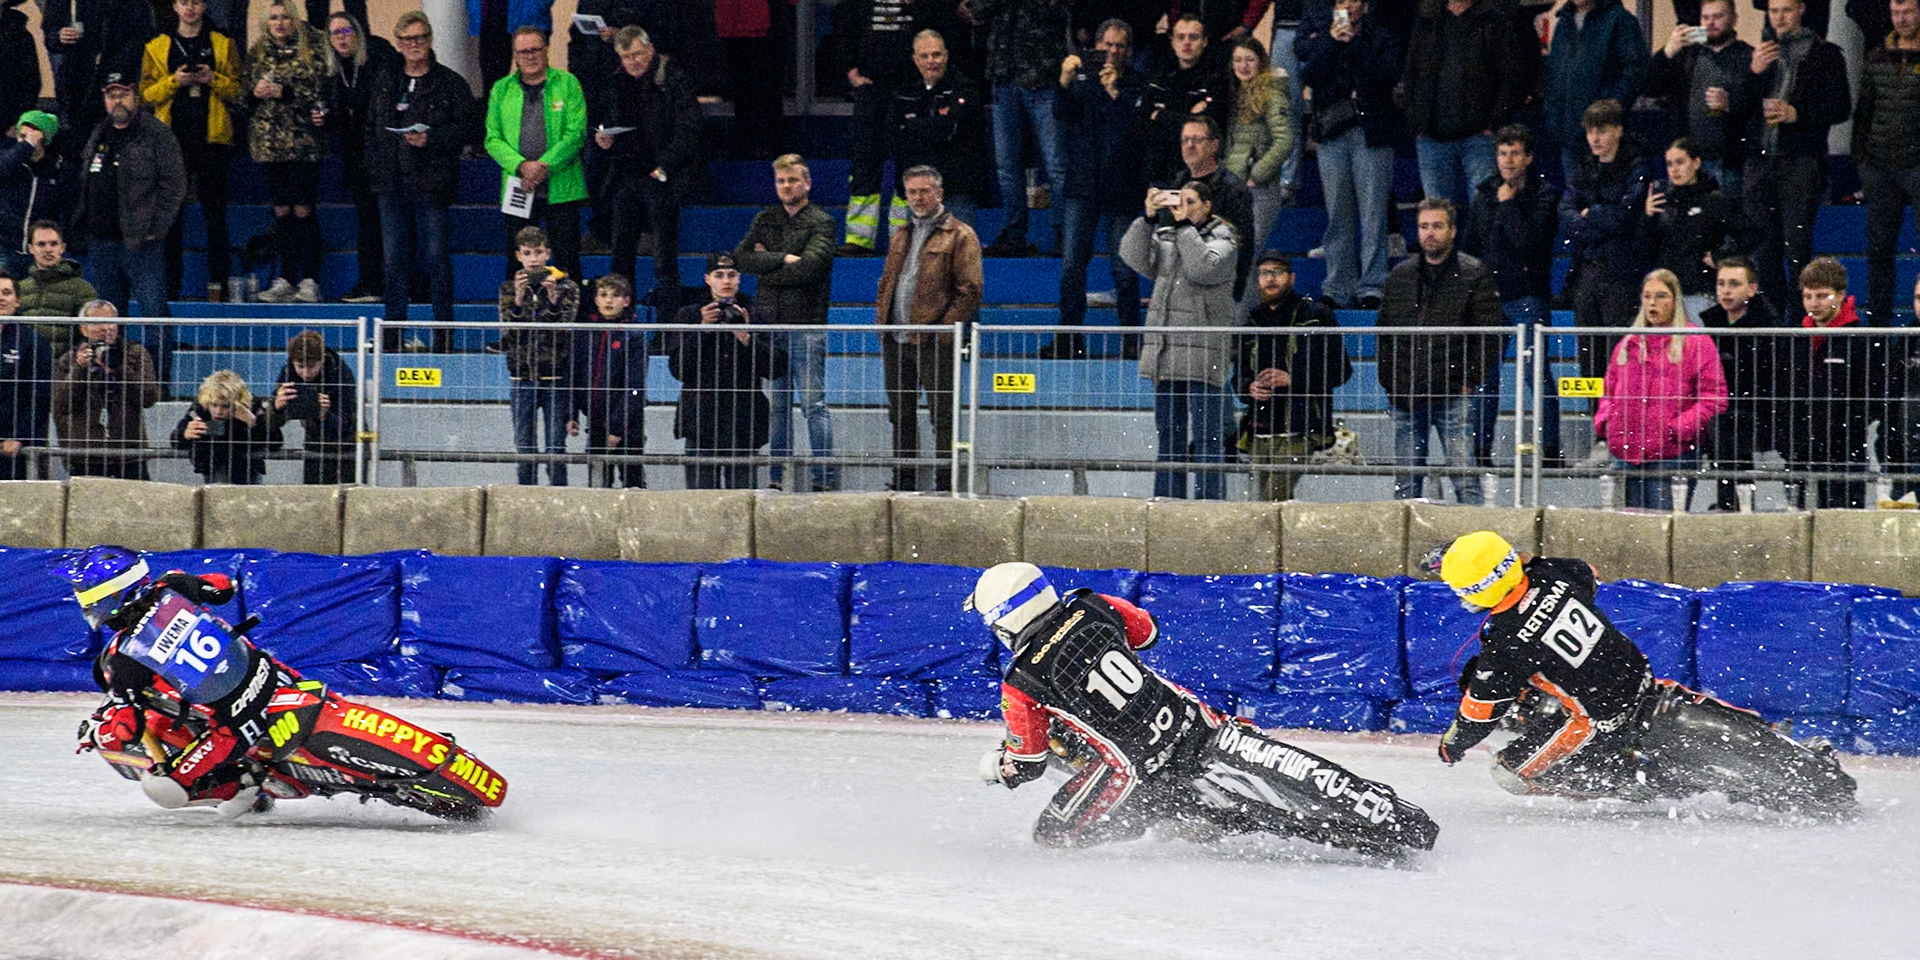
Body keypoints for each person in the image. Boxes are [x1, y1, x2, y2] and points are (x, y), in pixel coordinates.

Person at [967, 562, 1438, 852]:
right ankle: (1397, 820)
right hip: (1195, 724)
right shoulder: (1093, 605)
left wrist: (999, 768)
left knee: (1051, 836)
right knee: (1287, 775)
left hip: (1136, 769)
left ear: (1003, 619)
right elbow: (1146, 633)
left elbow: (1028, 762)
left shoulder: (1022, 681)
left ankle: (1158, 819)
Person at [61, 544, 297, 815]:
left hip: (234, 725)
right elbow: (222, 588)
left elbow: (128, 728)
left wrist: (97, 732)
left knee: (164, 787)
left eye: (89, 596)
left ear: (113, 594)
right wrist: (204, 587)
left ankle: (247, 785)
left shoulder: (124, 656)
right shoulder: (173, 585)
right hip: (270, 674)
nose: (87, 604)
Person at [1430, 531, 1657, 798]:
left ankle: (1618, 779)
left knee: (1508, 772)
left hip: (1600, 716)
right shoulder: (1551, 572)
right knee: (1546, 677)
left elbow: (1479, 714)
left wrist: (1452, 745)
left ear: (1474, 590)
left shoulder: (1505, 643)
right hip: (1639, 672)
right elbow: (1589, 574)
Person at [1376, 198, 1501, 504]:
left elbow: (1488, 335)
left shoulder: (1474, 273)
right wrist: (1391, 382)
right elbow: (1385, 333)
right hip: (1406, 394)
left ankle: (1476, 546)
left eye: (1437, 226)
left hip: (1452, 393)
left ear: (1453, 230)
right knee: (1405, 485)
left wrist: (1468, 379)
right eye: (1423, 226)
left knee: (1465, 481)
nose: (1429, 233)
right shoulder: (1400, 276)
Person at [1122, 179, 1239, 500]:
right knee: (1169, 437)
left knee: (1208, 438)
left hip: (1204, 355)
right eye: (1179, 201)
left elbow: (1203, 268)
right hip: (1166, 351)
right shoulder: (1167, 235)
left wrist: (1184, 227)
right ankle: (1167, 502)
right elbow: (1132, 257)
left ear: (1207, 205)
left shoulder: (1224, 239)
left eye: (1191, 202)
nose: (1182, 208)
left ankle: (1209, 505)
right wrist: (1146, 220)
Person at [365, 11, 473, 354]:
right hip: (391, 183)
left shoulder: (450, 82)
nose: (415, 45)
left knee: (436, 257)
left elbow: (466, 130)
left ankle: (443, 337)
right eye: (408, 39)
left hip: (432, 184)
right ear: (398, 44)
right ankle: (394, 336)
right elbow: (370, 128)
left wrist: (433, 139)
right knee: (394, 260)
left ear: (430, 40)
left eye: (421, 37)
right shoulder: (385, 81)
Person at [733, 154, 838, 492]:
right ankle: (777, 478)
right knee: (778, 407)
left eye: (792, 180)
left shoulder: (823, 221)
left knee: (813, 405)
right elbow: (741, 259)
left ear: (807, 183)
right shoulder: (765, 218)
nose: (786, 186)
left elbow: (812, 268)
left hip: (807, 326)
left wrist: (768, 265)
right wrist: (782, 259)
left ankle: (823, 479)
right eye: (781, 181)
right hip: (770, 326)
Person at [875, 165, 981, 493]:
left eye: (925, 191)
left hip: (935, 341)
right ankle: (903, 483)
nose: (918, 198)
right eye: (912, 192)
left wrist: (943, 331)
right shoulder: (901, 234)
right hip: (897, 338)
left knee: (943, 416)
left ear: (939, 193)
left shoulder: (961, 235)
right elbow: (889, 282)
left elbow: (970, 291)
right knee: (900, 415)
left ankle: (945, 484)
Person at [75, 72, 185, 386]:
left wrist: (157, 227)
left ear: (134, 95)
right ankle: (112, 382)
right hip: (103, 242)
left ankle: (158, 385)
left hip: (141, 243)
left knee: (153, 313)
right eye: (111, 95)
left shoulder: (156, 133)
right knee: (107, 322)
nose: (117, 100)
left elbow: (175, 184)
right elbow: (86, 179)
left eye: (123, 94)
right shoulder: (99, 133)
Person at [834, 0, 965, 256]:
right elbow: (843, 26)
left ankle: (903, 238)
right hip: (870, 88)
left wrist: (930, 78)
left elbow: (942, 29)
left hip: (912, 90)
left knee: (910, 163)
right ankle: (859, 239)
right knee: (865, 161)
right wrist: (850, 71)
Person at [1742, 0, 1850, 311]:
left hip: (1800, 160)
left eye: (1786, 10)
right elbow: (1740, 109)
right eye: (1774, 11)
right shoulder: (1761, 53)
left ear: (1801, 9)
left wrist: (1797, 113)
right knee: (1764, 247)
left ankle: (1800, 320)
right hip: (1760, 158)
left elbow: (1841, 107)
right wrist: (1752, 73)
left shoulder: (1824, 53)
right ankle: (1773, 320)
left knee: (1796, 246)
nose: (1779, 17)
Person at [1463, 125, 1561, 466]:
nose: (1507, 160)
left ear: (1528, 158)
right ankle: (1479, 452)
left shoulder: (1544, 195)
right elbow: (1473, 246)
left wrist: (1509, 206)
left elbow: (1529, 242)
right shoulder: (1484, 194)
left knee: (1536, 374)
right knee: (1485, 378)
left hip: (1528, 297)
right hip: (1490, 300)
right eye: (1502, 153)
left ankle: (1550, 450)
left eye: (1515, 153)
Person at [1048, 19, 1145, 360]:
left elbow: (1138, 132)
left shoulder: (1135, 82)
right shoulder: (1082, 75)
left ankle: (1132, 342)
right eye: (1107, 45)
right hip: (1082, 183)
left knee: (1124, 267)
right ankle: (1068, 340)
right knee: (1073, 265)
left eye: (1119, 46)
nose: (1112, 51)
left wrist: (1117, 94)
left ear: (1128, 50)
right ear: (1096, 45)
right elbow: (1060, 114)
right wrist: (1062, 83)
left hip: (1122, 186)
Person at [1592, 269, 1729, 510]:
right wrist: (1607, 421)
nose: (1652, 303)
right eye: (1647, 296)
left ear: (1675, 300)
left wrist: (1677, 428)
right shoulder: (1628, 343)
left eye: (1661, 296)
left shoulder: (1696, 342)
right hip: (1625, 454)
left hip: (1672, 454)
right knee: (1628, 533)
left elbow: (1713, 398)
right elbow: (1609, 391)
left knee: (1664, 530)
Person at [1298, 0, 1403, 311]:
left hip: (1372, 131)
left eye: (1354, 1)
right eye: (1342, 1)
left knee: (1373, 213)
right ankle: (1338, 286)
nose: (1348, 7)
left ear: (1366, 7)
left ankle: (1373, 285)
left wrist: (1355, 44)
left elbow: (1385, 74)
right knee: (1338, 213)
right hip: (1332, 131)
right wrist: (1332, 41)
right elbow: (1311, 75)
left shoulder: (1381, 35)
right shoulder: (1321, 33)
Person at [593, 26, 701, 319]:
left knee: (664, 259)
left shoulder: (673, 78)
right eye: (626, 57)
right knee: (620, 255)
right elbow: (611, 119)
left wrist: (663, 166)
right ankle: (619, 320)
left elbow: (689, 129)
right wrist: (605, 137)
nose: (632, 63)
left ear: (650, 49)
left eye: (637, 55)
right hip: (627, 176)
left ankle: (666, 326)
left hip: (662, 177)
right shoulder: (618, 80)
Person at [661, 253, 787, 490]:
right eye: (719, 275)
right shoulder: (689, 314)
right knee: (701, 501)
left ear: (740, 279)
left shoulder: (757, 314)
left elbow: (776, 368)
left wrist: (747, 338)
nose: (726, 281)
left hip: (744, 420)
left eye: (731, 275)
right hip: (701, 420)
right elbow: (678, 369)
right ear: (707, 279)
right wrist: (702, 331)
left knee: (740, 502)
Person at [143, 0, 240, 302]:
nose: (191, 9)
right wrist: (175, 81)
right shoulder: (157, 46)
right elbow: (146, 93)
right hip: (172, 141)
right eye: (185, 2)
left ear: (205, 6)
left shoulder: (222, 44)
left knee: (215, 215)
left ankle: (218, 285)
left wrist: (213, 79)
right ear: (174, 6)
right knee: (172, 216)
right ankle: (170, 286)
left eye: (196, 2)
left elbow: (238, 89)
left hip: (212, 140)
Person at [1400, 0, 1539, 210]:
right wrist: (1417, 120)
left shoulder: (1496, 17)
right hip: (1431, 135)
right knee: (1435, 216)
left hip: (1480, 137)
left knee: (1484, 212)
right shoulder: (1428, 16)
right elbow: (1412, 71)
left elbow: (1513, 77)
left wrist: (1495, 124)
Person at [1781, 258, 1893, 509]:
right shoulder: (1797, 338)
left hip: (1844, 451)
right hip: (1800, 450)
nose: (1813, 303)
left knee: (1843, 526)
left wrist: (1846, 425)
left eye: (1821, 296)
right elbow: (1785, 389)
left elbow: (1873, 394)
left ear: (1841, 295)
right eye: (1807, 296)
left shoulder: (1860, 339)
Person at [1234, 253, 1345, 501]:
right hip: (1259, 429)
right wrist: (1248, 387)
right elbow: (1238, 377)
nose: (1270, 278)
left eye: (1277, 271)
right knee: (1269, 504)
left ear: (1292, 277)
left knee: (1270, 500)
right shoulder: (1251, 321)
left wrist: (1294, 379)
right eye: (1264, 273)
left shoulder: (1317, 315)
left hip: (1302, 426)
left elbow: (1340, 371)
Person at [1560, 99, 1654, 384]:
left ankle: (1623, 424)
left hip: (1622, 274)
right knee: (1589, 361)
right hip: (1588, 272)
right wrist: (1603, 219)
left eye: (1601, 130)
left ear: (1618, 131)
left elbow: (1627, 218)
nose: (1595, 138)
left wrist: (1592, 213)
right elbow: (1567, 217)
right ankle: (1595, 425)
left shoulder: (1638, 166)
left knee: (1622, 355)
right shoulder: (1583, 170)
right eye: (1590, 131)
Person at [484, 27, 587, 282]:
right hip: (518, 186)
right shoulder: (501, 89)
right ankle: (517, 318)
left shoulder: (568, 83)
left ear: (546, 50)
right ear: (515, 56)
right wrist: (521, 166)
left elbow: (576, 133)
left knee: (566, 260)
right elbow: (492, 138)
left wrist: (542, 166)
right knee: (517, 261)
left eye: (535, 49)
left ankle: (567, 319)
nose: (530, 56)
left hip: (562, 187)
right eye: (523, 51)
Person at [243, 3, 330, 305]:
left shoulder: (312, 48)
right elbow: (243, 95)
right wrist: (254, 93)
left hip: (303, 143)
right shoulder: (257, 52)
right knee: (281, 211)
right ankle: (286, 277)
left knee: (303, 209)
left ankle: (309, 278)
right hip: (268, 144)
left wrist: (285, 92)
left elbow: (320, 88)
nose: (280, 23)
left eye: (285, 17)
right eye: (274, 18)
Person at [975, 0, 1072, 258]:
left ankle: (1065, 232)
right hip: (1003, 75)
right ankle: (1014, 232)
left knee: (1056, 163)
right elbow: (976, 10)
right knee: (1006, 164)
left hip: (1044, 74)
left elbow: (1059, 9)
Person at [316, 11, 397, 305]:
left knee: (386, 222)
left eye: (346, 31)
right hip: (355, 158)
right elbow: (337, 117)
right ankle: (370, 282)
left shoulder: (377, 59)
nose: (341, 38)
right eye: (335, 33)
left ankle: (390, 283)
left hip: (383, 154)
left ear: (358, 33)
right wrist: (323, 119)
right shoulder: (332, 72)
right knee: (367, 221)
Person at [1646, 0, 1754, 207]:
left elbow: (1755, 107)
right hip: (1690, 160)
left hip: (1730, 161)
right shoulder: (1687, 54)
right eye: (1706, 18)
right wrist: (1668, 51)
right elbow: (1650, 88)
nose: (1711, 22)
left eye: (1718, 16)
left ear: (1734, 19)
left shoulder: (1748, 56)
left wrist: (1730, 105)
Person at [1697, 255, 1784, 511]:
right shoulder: (1709, 322)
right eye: (1721, 283)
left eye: (1734, 283)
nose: (1725, 290)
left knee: (1732, 428)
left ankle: (1735, 503)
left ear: (1752, 288)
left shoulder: (1768, 324)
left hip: (1760, 408)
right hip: (1721, 408)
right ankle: (1729, 501)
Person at [1852, 0, 1920, 324]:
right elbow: (1863, 110)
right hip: (1880, 167)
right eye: (1896, 13)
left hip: (1917, 165)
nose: (1901, 19)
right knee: (1879, 252)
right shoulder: (1877, 55)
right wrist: (1861, 160)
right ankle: (1877, 326)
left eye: (1907, 12)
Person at [498, 226, 579, 487]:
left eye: (539, 252)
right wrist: (519, 301)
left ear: (548, 254)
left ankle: (558, 497)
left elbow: (561, 335)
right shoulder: (508, 289)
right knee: (524, 447)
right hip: (521, 378)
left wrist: (553, 302)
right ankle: (525, 497)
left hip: (554, 377)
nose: (534, 258)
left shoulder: (567, 287)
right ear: (518, 256)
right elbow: (510, 337)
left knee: (556, 447)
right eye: (528, 253)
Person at [886, 31, 987, 227]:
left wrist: (913, 126)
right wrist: (933, 128)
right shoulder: (903, 92)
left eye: (936, 54)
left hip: (956, 189)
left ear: (946, 55)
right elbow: (894, 136)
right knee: (912, 254)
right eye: (924, 56)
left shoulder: (965, 88)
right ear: (915, 60)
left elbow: (951, 131)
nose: (931, 61)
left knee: (956, 254)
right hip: (914, 190)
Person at [51, 302, 161, 479]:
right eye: (97, 322)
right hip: (86, 455)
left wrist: (119, 369)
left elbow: (148, 397)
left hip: (129, 454)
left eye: (110, 322)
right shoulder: (69, 360)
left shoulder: (135, 353)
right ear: (83, 329)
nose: (105, 328)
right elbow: (61, 405)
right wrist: (80, 369)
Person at [1222, 37, 1292, 305]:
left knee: (1244, 257)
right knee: (1236, 259)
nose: (1243, 65)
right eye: (1238, 60)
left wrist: (1257, 174)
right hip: (1234, 189)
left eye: (1249, 59)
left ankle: (1241, 331)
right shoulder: (1235, 95)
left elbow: (1285, 139)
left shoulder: (1272, 94)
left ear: (1260, 62)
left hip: (1259, 190)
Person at [1540, 0, 1647, 178]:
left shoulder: (1620, 20)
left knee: (1606, 198)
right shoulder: (1563, 22)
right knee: (1575, 200)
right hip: (1568, 135)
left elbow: (1636, 69)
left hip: (1603, 134)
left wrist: (1614, 104)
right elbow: (1555, 73)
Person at [1637, 137, 1738, 319]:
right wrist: (1647, 218)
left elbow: (1752, 235)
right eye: (1669, 164)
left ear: (1696, 162)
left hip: (1700, 294)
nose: (1674, 169)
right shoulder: (1661, 202)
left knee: (1697, 347)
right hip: (1666, 296)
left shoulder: (1714, 201)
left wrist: (1721, 257)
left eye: (1680, 162)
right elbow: (1644, 250)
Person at [567, 274, 649, 488]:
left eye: (616, 295)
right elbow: (576, 374)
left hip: (627, 423)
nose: (609, 301)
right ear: (596, 300)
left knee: (633, 482)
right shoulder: (586, 333)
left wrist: (617, 428)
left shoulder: (634, 335)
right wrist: (572, 412)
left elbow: (635, 387)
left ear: (627, 301)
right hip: (595, 420)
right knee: (598, 483)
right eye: (603, 295)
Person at [44, 0, 155, 155]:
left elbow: (142, 34)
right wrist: (58, 36)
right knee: (76, 140)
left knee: (117, 136)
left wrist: (118, 69)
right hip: (76, 79)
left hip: (119, 76)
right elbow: (50, 31)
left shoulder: (132, 6)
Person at [1164, 116, 1254, 302]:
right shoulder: (1177, 183)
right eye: (1185, 140)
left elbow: (1243, 245)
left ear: (1214, 145)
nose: (1189, 145)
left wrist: (1234, 292)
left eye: (1197, 140)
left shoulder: (1232, 188)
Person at [1139, 15, 1231, 185]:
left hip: (1201, 178)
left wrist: (1160, 115)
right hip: (1158, 173)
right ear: (1172, 41)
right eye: (1181, 37)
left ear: (1204, 41)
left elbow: (1209, 126)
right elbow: (1142, 122)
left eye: (1193, 37)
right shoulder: (1158, 78)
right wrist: (1189, 116)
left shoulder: (1216, 80)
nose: (1186, 43)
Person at [270, 329, 356, 484]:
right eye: (300, 366)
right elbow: (271, 424)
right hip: (313, 442)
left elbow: (346, 422)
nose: (306, 373)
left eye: (311, 366)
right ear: (293, 362)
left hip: (349, 444)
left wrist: (325, 415)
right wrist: (277, 407)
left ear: (322, 359)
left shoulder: (341, 373)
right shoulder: (288, 372)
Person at [171, 369, 281, 484]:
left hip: (247, 472)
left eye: (226, 406)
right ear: (207, 402)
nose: (219, 411)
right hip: (211, 469)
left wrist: (254, 423)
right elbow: (174, 440)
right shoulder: (199, 411)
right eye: (214, 405)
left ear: (238, 404)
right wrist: (184, 434)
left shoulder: (252, 409)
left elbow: (276, 442)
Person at [1, 113, 71, 281]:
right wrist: (26, 146)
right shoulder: (10, 161)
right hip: (5, 248)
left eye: (34, 138)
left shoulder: (58, 169)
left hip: (39, 253)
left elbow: (66, 209)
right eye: (22, 137)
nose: (26, 142)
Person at [18, 222, 98, 358]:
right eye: (41, 244)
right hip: (24, 366)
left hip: (65, 367)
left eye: (53, 244)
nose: (48, 249)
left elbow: (92, 331)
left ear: (62, 248)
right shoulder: (20, 288)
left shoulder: (82, 289)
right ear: (31, 248)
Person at [0, 272, 52, 480]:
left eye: (7, 293)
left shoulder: (34, 342)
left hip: (15, 449)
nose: (1, 298)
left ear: (18, 300)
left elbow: (39, 397)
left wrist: (19, 437)